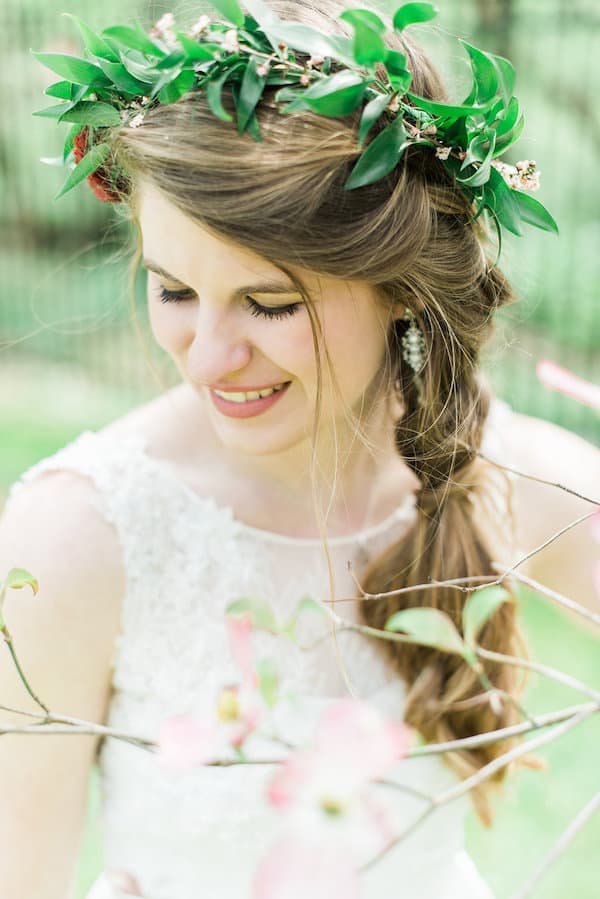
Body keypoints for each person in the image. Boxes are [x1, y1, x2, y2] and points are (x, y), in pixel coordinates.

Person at [2, 1, 599, 897]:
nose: (207, 356)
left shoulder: (508, 478)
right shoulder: (77, 534)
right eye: (173, 290)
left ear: (399, 287)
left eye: (270, 304)